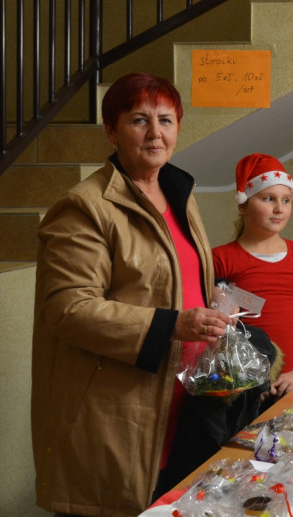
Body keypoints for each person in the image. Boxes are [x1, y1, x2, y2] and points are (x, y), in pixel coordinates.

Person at [32, 72, 233, 516]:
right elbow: (69, 309)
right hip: (119, 414)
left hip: (183, 400)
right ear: (112, 131)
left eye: (166, 120)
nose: (155, 132)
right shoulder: (84, 206)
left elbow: (180, 279)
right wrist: (173, 324)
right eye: (139, 120)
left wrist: (216, 309)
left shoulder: (179, 192)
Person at [213, 153, 293, 400]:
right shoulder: (219, 258)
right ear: (243, 205)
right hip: (247, 390)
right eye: (268, 199)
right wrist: (248, 380)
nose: (279, 208)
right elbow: (217, 330)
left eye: (286, 200)